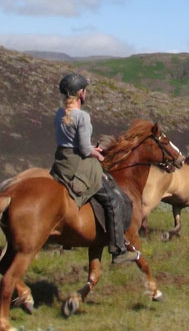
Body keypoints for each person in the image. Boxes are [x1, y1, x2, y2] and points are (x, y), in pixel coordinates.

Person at [49, 72, 141, 265]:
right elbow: (83, 148)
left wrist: (91, 148)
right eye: (85, 91)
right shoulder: (82, 116)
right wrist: (98, 154)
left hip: (62, 163)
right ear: (80, 93)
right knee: (114, 200)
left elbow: (71, 143)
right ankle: (118, 250)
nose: (86, 93)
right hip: (80, 166)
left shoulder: (59, 113)